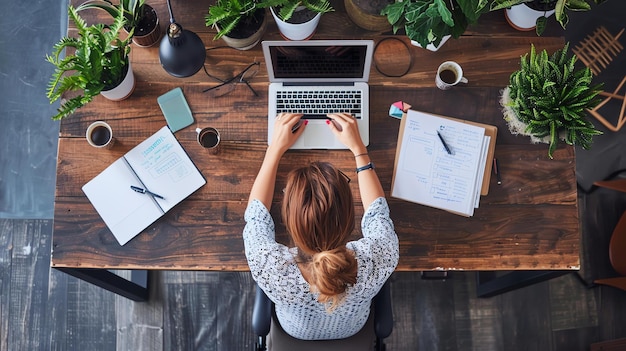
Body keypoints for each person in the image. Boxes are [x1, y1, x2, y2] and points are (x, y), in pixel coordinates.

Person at [243, 112, 399, 344]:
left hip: (295, 331)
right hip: (353, 328)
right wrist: (358, 148)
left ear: (288, 220)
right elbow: (377, 212)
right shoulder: (378, 256)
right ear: (349, 216)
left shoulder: (268, 264)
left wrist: (274, 149)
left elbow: (256, 216)